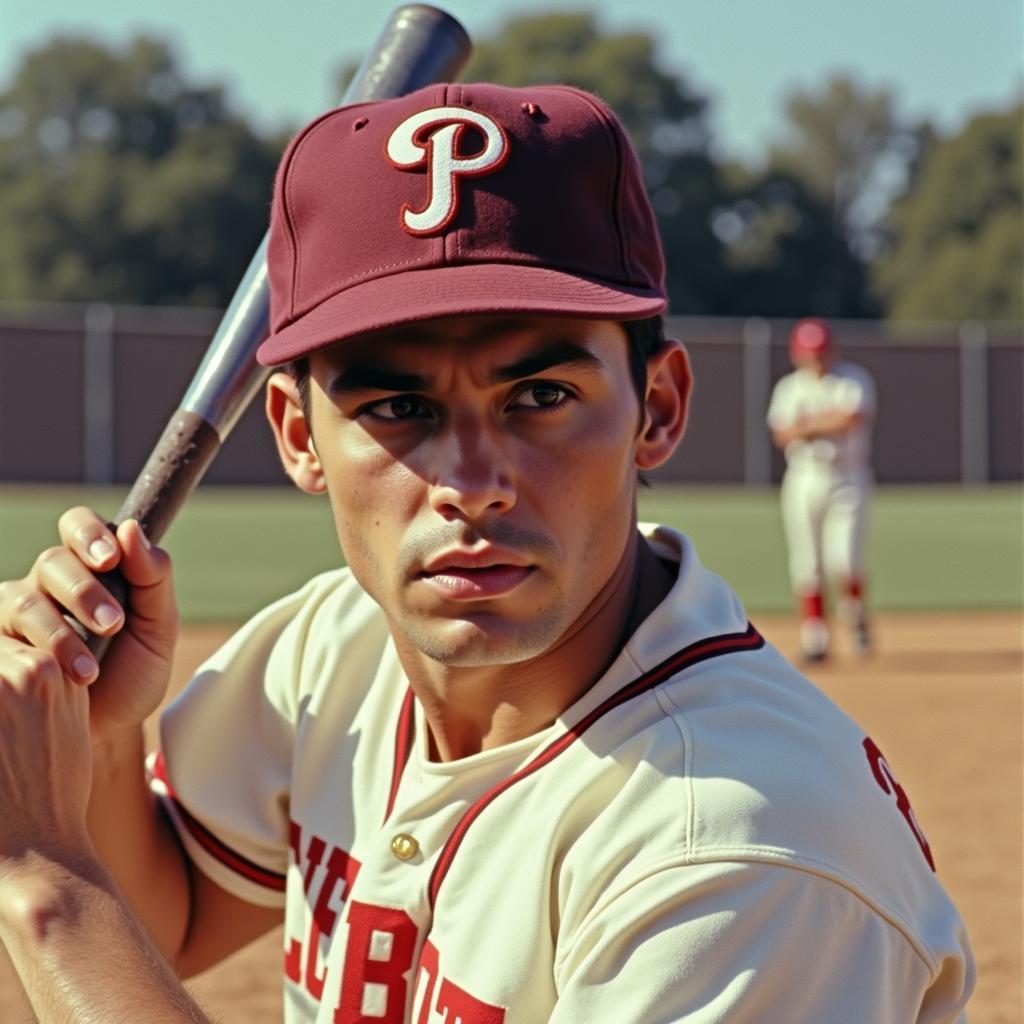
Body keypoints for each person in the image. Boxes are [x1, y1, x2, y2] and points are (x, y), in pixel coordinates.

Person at [0, 83, 972, 1023]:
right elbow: (168, 918)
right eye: (396, 408)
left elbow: (98, 920)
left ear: (658, 410)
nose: (471, 481)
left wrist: (49, 882)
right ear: (297, 435)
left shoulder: (740, 851)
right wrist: (100, 732)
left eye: (540, 397)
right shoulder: (335, 648)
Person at [767, 317, 876, 662]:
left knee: (845, 558)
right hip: (804, 477)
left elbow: (851, 418)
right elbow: (781, 433)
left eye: (821, 353)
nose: (816, 360)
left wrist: (806, 425)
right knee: (807, 561)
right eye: (809, 354)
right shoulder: (789, 387)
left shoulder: (852, 378)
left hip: (848, 476)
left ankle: (854, 612)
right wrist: (823, 421)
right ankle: (816, 638)